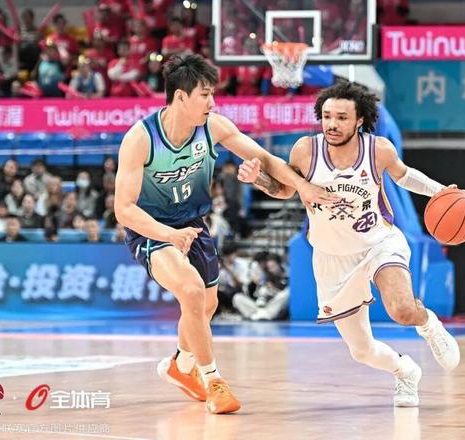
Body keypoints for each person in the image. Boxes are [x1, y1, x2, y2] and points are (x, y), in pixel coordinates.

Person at [114, 54, 335, 414]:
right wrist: (168, 235)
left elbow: (267, 160)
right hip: (152, 229)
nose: (212, 102)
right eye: (205, 95)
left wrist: (302, 186)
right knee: (190, 290)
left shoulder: (213, 127)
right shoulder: (141, 139)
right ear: (181, 96)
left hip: (194, 225)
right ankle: (213, 380)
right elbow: (124, 210)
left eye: (212, 94)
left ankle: (182, 364)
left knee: (206, 307)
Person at [237, 81, 462, 407]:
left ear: (359, 120)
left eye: (341, 117)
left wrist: (441, 191)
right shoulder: (305, 151)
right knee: (362, 350)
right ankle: (405, 371)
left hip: (378, 243)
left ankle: (429, 325)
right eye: (327, 116)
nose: (332, 124)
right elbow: (284, 189)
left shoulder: (378, 150)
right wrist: (256, 178)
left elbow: (404, 175)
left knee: (402, 310)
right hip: (332, 258)